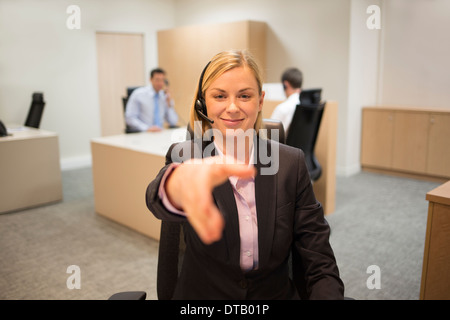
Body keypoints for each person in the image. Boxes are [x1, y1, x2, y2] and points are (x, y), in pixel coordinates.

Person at [145, 50, 344, 299]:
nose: (232, 107)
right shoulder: (185, 157)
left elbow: (319, 256)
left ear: (260, 101)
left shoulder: (291, 163)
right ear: (203, 103)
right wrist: (174, 186)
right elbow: (156, 198)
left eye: (244, 96)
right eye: (219, 96)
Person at [125, 68, 178, 132]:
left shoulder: (164, 97)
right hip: (143, 133)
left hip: (159, 133)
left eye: (162, 80)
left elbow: (173, 121)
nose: (160, 83)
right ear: (151, 79)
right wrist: (147, 128)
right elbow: (129, 118)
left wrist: (169, 103)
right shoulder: (138, 94)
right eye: (157, 80)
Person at [270, 67, 303, 133]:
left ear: (285, 85)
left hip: (281, 143)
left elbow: (269, 134)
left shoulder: (283, 108)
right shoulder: (306, 105)